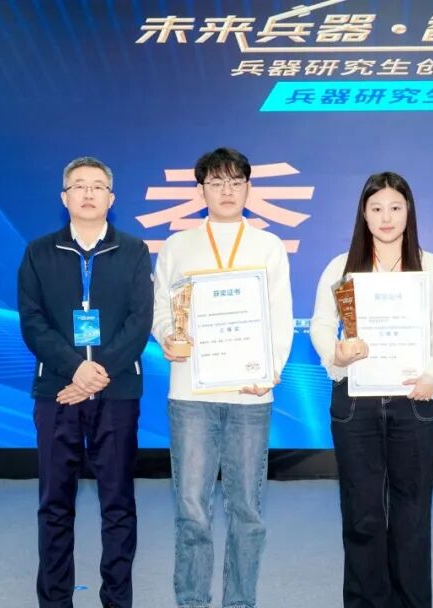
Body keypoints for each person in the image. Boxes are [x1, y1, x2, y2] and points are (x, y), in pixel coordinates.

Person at [152, 147, 294, 608]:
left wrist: (270, 371)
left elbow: (281, 317)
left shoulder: (268, 246)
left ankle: (239, 603)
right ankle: (192, 602)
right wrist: (167, 337)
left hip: (251, 395)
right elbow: (160, 310)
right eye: (216, 182)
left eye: (236, 182)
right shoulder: (178, 246)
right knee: (192, 510)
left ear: (249, 188)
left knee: (247, 511)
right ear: (201, 190)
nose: (227, 191)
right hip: (190, 394)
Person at [309, 171, 433, 608]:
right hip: (355, 402)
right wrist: (336, 354)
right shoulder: (341, 267)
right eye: (376, 208)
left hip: (415, 400)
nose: (386, 217)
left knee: (413, 515)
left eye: (395, 207)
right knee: (361, 514)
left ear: (409, 212)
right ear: (364, 213)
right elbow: (320, 325)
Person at [18, 156, 153, 608]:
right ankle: (55, 601)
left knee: (118, 504)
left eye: (98, 186)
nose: (89, 193)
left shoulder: (133, 250)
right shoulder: (39, 252)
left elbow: (139, 321)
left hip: (117, 392)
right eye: (79, 186)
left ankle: (117, 600)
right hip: (57, 391)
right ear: (65, 197)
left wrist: (97, 373)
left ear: (111, 198)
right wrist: (75, 369)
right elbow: (32, 322)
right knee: (55, 504)